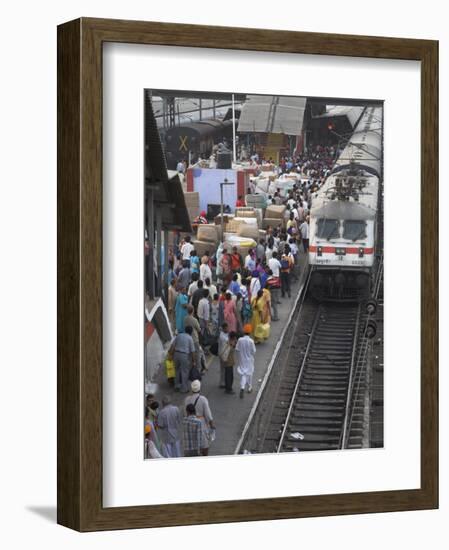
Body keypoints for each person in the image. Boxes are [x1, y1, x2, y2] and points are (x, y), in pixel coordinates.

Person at [184, 380, 215, 456]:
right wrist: (212, 425)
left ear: (192, 389)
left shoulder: (187, 399)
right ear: (199, 388)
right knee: (204, 444)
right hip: (201, 422)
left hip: (189, 422)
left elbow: (185, 414)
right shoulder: (203, 399)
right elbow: (208, 414)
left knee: (191, 441)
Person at [170, 325, 196, 393]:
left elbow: (173, 346)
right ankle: (184, 388)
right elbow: (193, 351)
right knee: (184, 371)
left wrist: (171, 355)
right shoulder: (190, 338)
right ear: (191, 332)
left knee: (176, 370)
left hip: (176, 354)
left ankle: (177, 386)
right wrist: (193, 361)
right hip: (184, 355)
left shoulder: (179, 335)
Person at [236, 325, 257, 398]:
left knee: (244, 374)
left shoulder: (240, 340)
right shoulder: (251, 341)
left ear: (244, 331)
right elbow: (254, 351)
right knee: (249, 373)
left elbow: (237, 349)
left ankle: (245, 387)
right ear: (250, 332)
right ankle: (247, 387)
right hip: (249, 360)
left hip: (242, 360)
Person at [184, 305, 201, 369]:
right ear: (193, 311)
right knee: (197, 355)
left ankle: (190, 369)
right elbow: (199, 329)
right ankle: (198, 369)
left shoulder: (185, 319)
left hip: (187, 338)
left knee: (189, 355)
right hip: (194, 339)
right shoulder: (194, 320)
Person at [218, 322, 229, 388]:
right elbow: (227, 341)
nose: (228, 329)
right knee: (223, 369)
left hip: (223, 353)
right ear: (224, 328)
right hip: (223, 354)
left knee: (223, 369)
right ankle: (222, 383)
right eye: (227, 328)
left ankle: (223, 382)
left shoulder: (224, 334)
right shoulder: (222, 336)